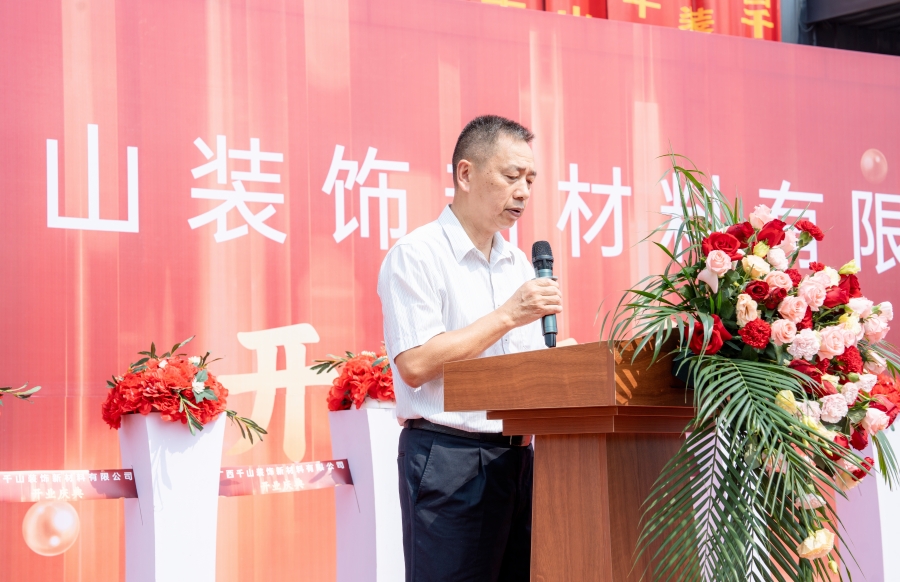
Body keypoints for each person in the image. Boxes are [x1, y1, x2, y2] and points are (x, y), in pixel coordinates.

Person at [377, 115, 563, 582]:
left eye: (530, 180)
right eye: (512, 176)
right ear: (465, 173)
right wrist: (508, 315)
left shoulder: (518, 263)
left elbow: (523, 367)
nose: (523, 192)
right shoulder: (417, 254)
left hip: (519, 460)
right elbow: (416, 363)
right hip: (450, 459)